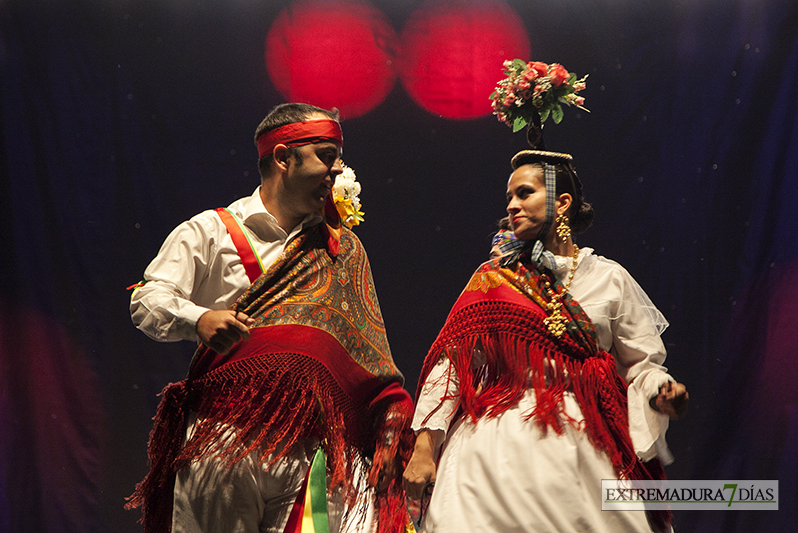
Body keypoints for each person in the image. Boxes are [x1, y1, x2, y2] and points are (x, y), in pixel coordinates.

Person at [126, 103, 413, 533]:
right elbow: (147, 300)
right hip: (223, 436)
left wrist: (391, 414)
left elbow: (368, 354)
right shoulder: (211, 231)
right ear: (282, 158)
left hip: (311, 449)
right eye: (326, 156)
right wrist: (198, 319)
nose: (337, 170)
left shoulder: (343, 250)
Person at [403, 146, 688, 532]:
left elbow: (642, 365)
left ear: (562, 201)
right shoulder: (494, 277)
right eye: (509, 198)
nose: (512, 206)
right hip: (495, 441)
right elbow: (451, 365)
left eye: (525, 193)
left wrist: (661, 391)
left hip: (586, 440)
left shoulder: (608, 277)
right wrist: (424, 448)